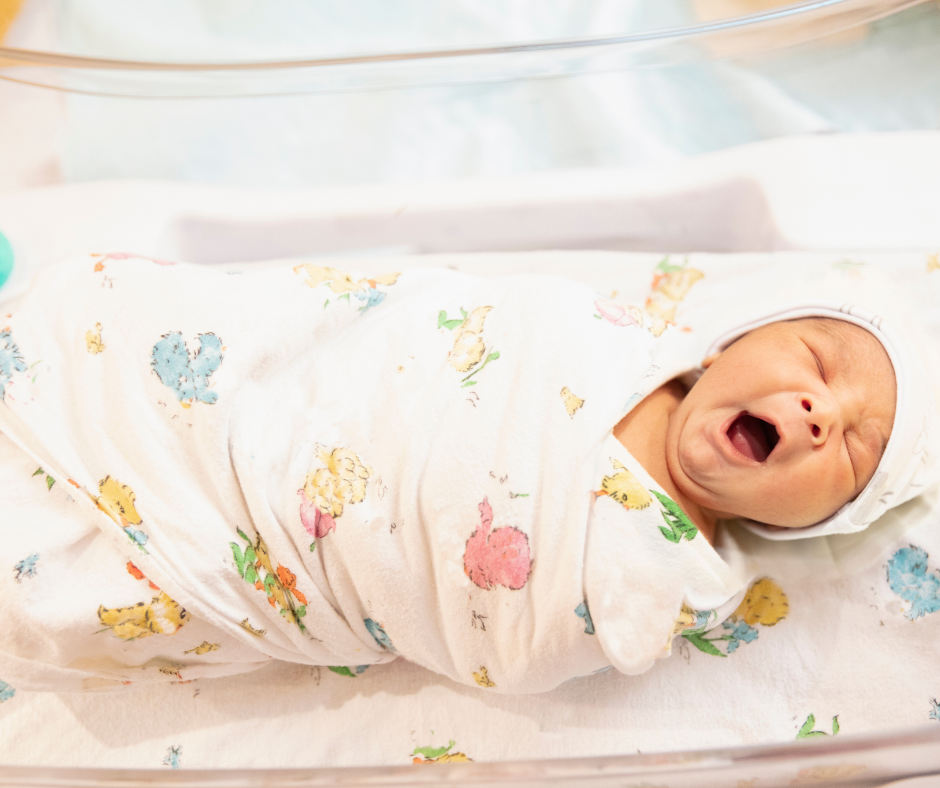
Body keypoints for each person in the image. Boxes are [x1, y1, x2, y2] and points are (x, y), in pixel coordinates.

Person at [0, 253, 935, 694]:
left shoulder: (674, 580)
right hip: (276, 397)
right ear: (734, 343)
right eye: (816, 361)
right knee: (121, 325)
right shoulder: (600, 334)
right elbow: (411, 320)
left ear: (817, 520)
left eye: (853, 452)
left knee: (79, 584)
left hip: (272, 546)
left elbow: (512, 648)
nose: (822, 413)